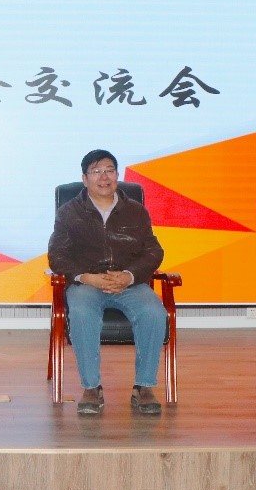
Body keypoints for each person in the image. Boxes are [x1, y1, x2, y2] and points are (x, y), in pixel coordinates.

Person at [47, 149, 169, 416]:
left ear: (117, 175)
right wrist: (86, 276)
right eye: (96, 171)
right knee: (82, 313)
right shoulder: (69, 212)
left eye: (110, 170)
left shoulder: (135, 211)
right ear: (85, 178)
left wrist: (129, 275)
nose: (104, 177)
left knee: (154, 313)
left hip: (129, 283)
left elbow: (153, 251)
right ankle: (91, 387)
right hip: (87, 283)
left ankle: (144, 386)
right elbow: (57, 255)